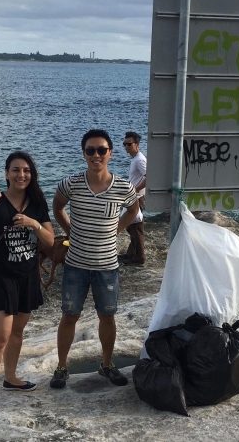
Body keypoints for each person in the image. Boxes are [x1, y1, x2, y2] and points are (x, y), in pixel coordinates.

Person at [49, 129, 140, 389]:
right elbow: (57, 207)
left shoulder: (123, 187)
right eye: (91, 150)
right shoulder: (71, 184)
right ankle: (62, 367)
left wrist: (117, 229)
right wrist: (70, 231)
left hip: (107, 267)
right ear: (84, 154)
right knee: (69, 316)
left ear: (110, 153)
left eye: (101, 150)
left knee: (107, 318)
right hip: (75, 265)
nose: (96, 155)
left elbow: (133, 210)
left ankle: (107, 364)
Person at [0, 151, 55, 415]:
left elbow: (50, 240)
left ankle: (10, 378)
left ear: (32, 174)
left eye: (26, 170)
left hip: (26, 275)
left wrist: (33, 224)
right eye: (16, 170)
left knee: (17, 332)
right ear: (7, 173)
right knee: (0, 337)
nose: (21, 175)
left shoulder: (37, 202)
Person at [122, 131, 147, 265]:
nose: (126, 146)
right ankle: (131, 253)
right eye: (125, 144)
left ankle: (139, 257)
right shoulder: (136, 159)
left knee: (135, 227)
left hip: (137, 197)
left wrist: (135, 189)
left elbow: (149, 177)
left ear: (137, 144)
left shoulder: (140, 160)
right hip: (134, 196)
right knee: (131, 226)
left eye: (129, 144)